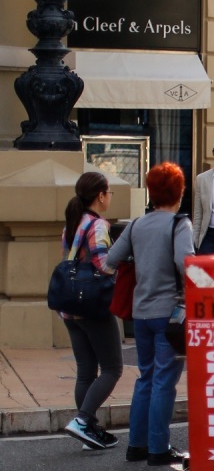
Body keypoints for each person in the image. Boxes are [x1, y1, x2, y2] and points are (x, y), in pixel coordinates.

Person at [106, 162, 194, 469]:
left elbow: (111, 260)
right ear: (178, 192)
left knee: (145, 377)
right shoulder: (179, 224)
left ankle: (136, 445)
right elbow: (187, 265)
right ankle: (158, 447)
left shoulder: (136, 225)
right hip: (170, 314)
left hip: (140, 313)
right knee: (164, 382)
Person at [58, 172, 123, 451]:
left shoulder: (72, 223)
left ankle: (89, 430)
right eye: (109, 193)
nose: (110, 197)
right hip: (93, 306)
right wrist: (122, 261)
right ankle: (83, 420)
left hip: (70, 306)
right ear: (100, 195)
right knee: (112, 368)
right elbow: (103, 263)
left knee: (86, 371)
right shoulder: (97, 225)